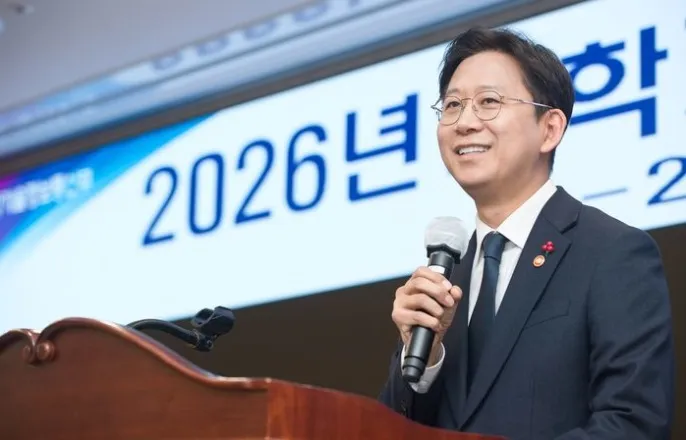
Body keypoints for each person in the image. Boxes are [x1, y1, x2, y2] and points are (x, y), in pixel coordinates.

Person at [378, 27, 674, 440]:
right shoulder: (445, 280)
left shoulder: (613, 252)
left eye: (489, 102)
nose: (465, 123)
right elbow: (388, 429)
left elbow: (634, 423)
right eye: (453, 105)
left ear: (550, 129)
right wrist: (425, 359)